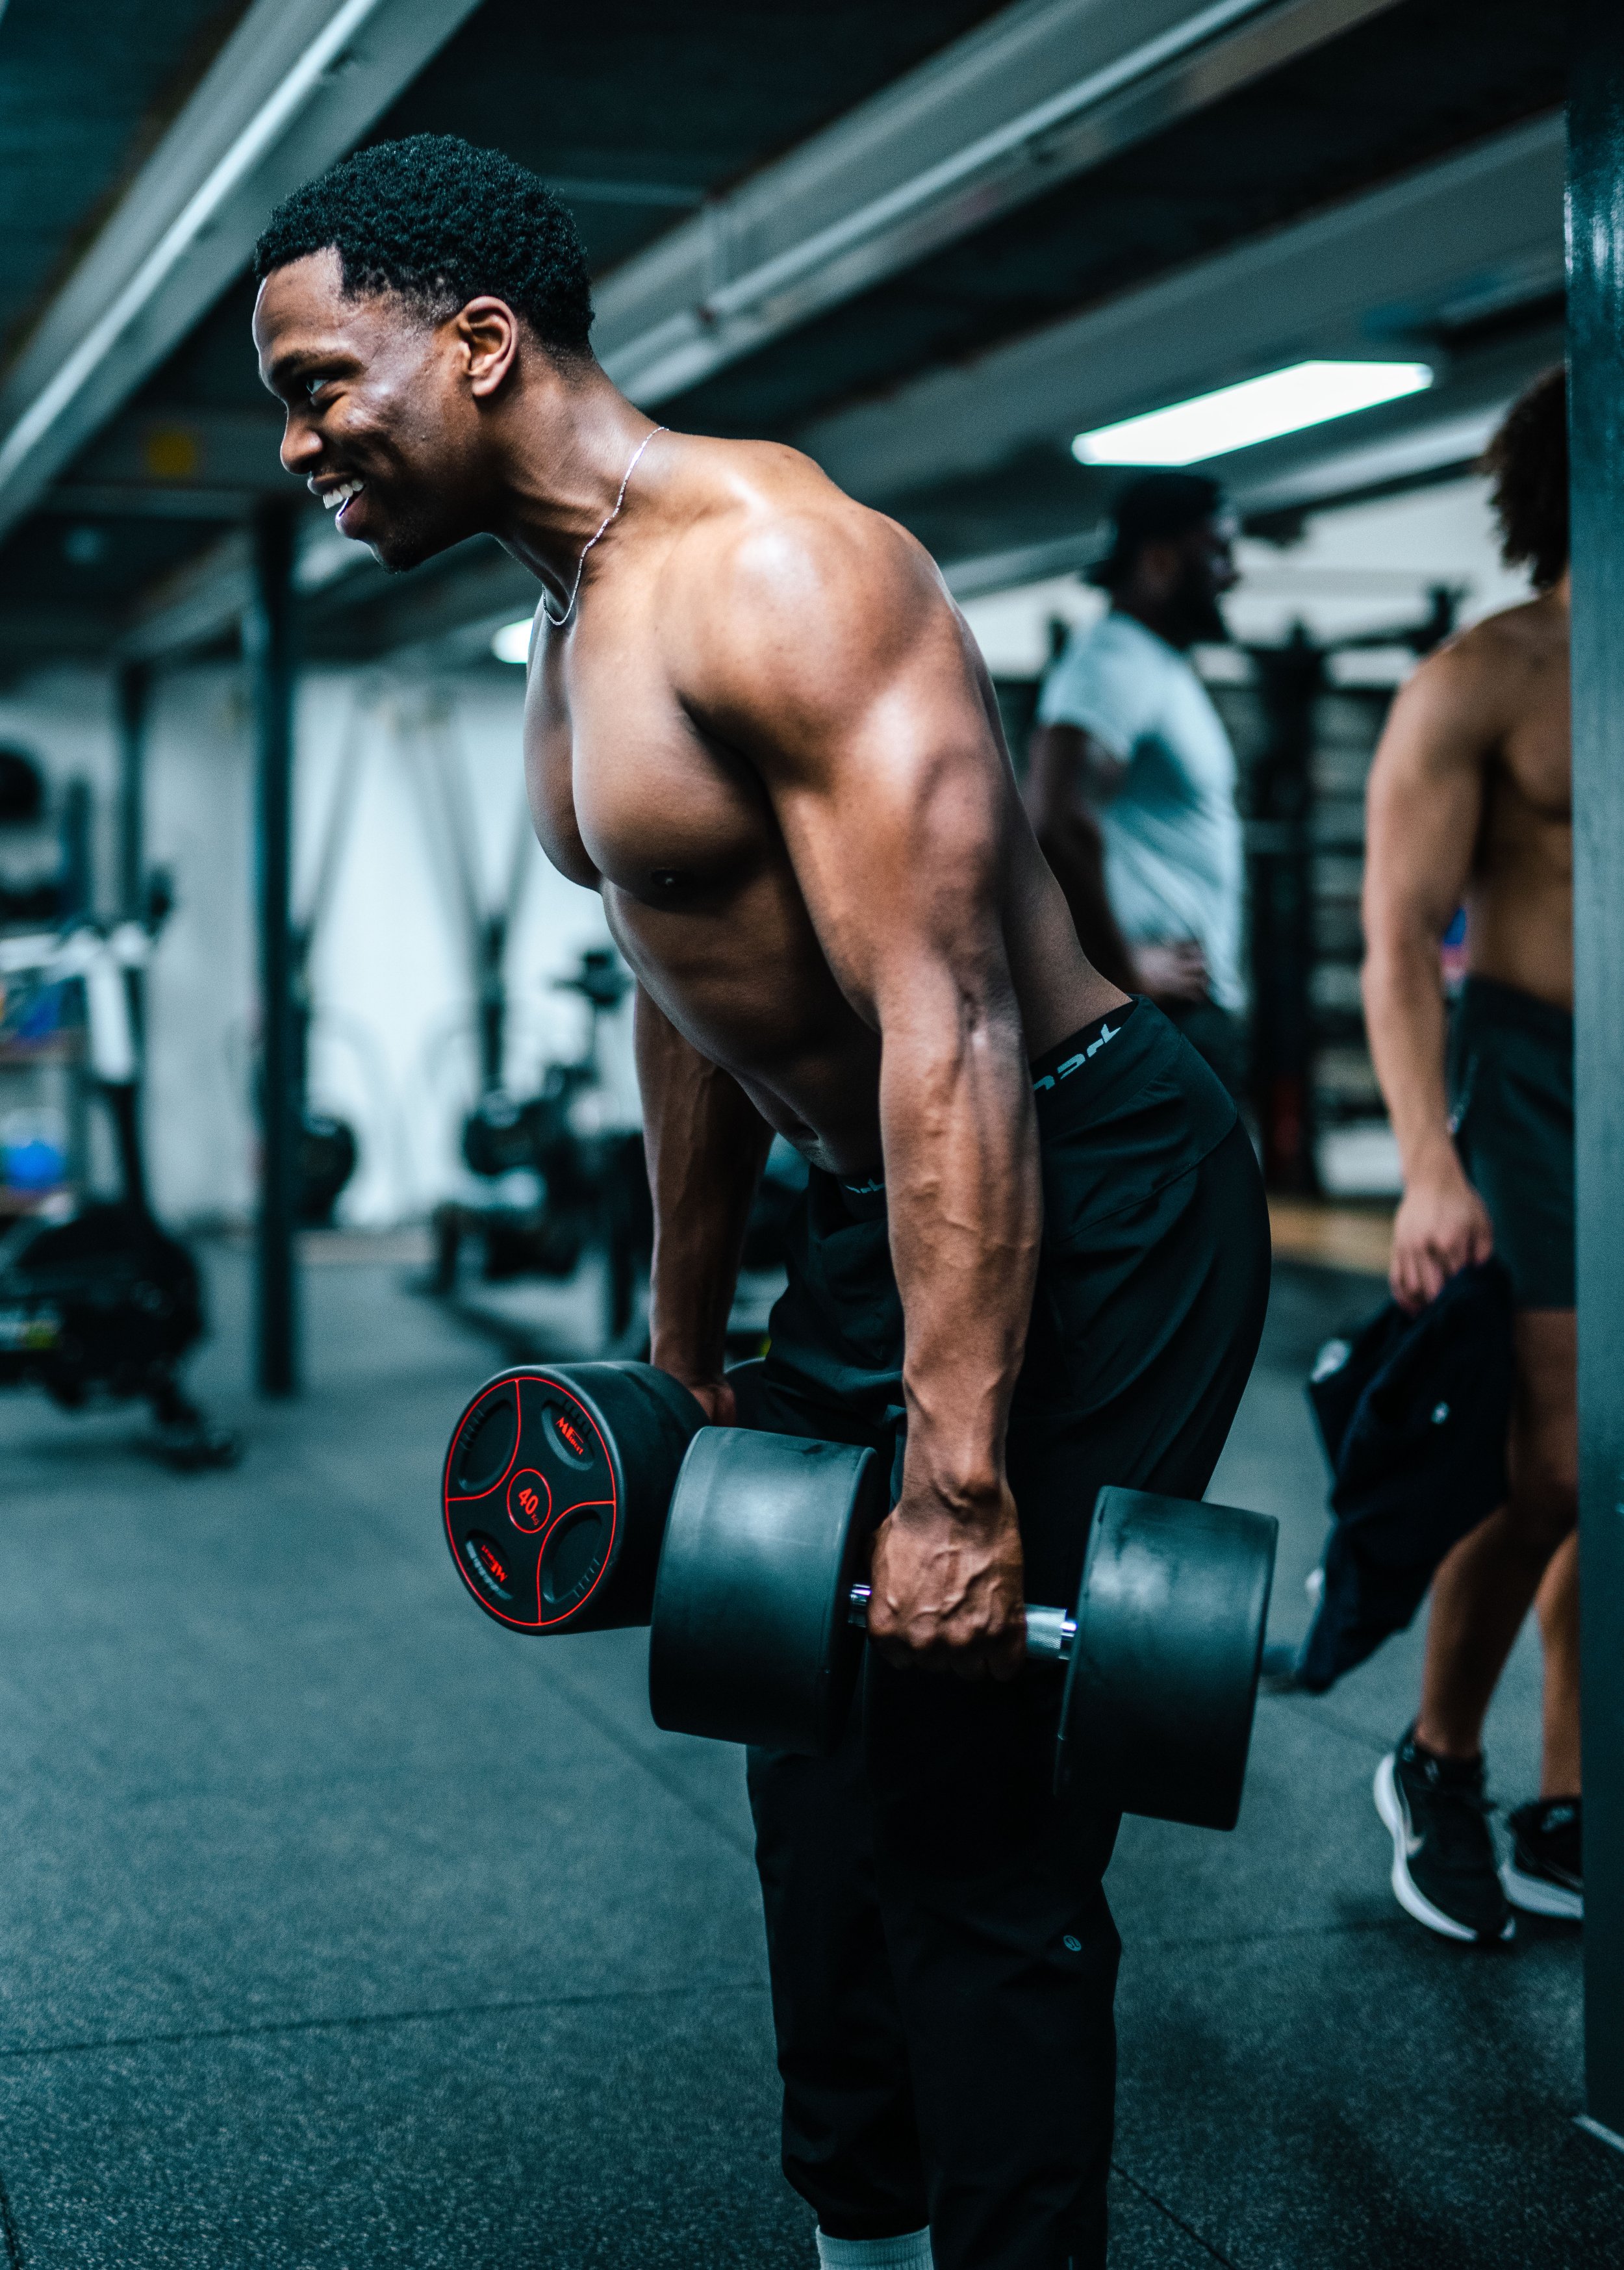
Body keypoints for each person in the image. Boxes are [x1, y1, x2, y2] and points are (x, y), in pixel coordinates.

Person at [251, 135, 1271, 2268]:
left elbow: (955, 1025)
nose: (298, 443)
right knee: (793, 1740)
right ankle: (862, 2230)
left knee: (970, 1784)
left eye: (321, 382)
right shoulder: (572, 621)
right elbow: (688, 982)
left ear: (483, 338)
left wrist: (964, 1482)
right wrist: (681, 1324)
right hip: (852, 1199)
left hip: (1075, 1166)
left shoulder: (786, 574)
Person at [1361, 365, 1579, 1945]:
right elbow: (1388, 947)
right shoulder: (1485, 680)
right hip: (1533, 1083)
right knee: (1556, 1467)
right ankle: (1438, 1760)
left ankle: (1571, 1804)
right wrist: (1429, 1162)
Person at [1022, 472, 1247, 1099]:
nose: (1232, 575)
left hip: (1183, 1010)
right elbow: (1051, 816)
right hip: (1158, 1014)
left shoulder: (1152, 665)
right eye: (1219, 551)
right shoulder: (1115, 661)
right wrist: (1118, 971)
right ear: (1160, 559)